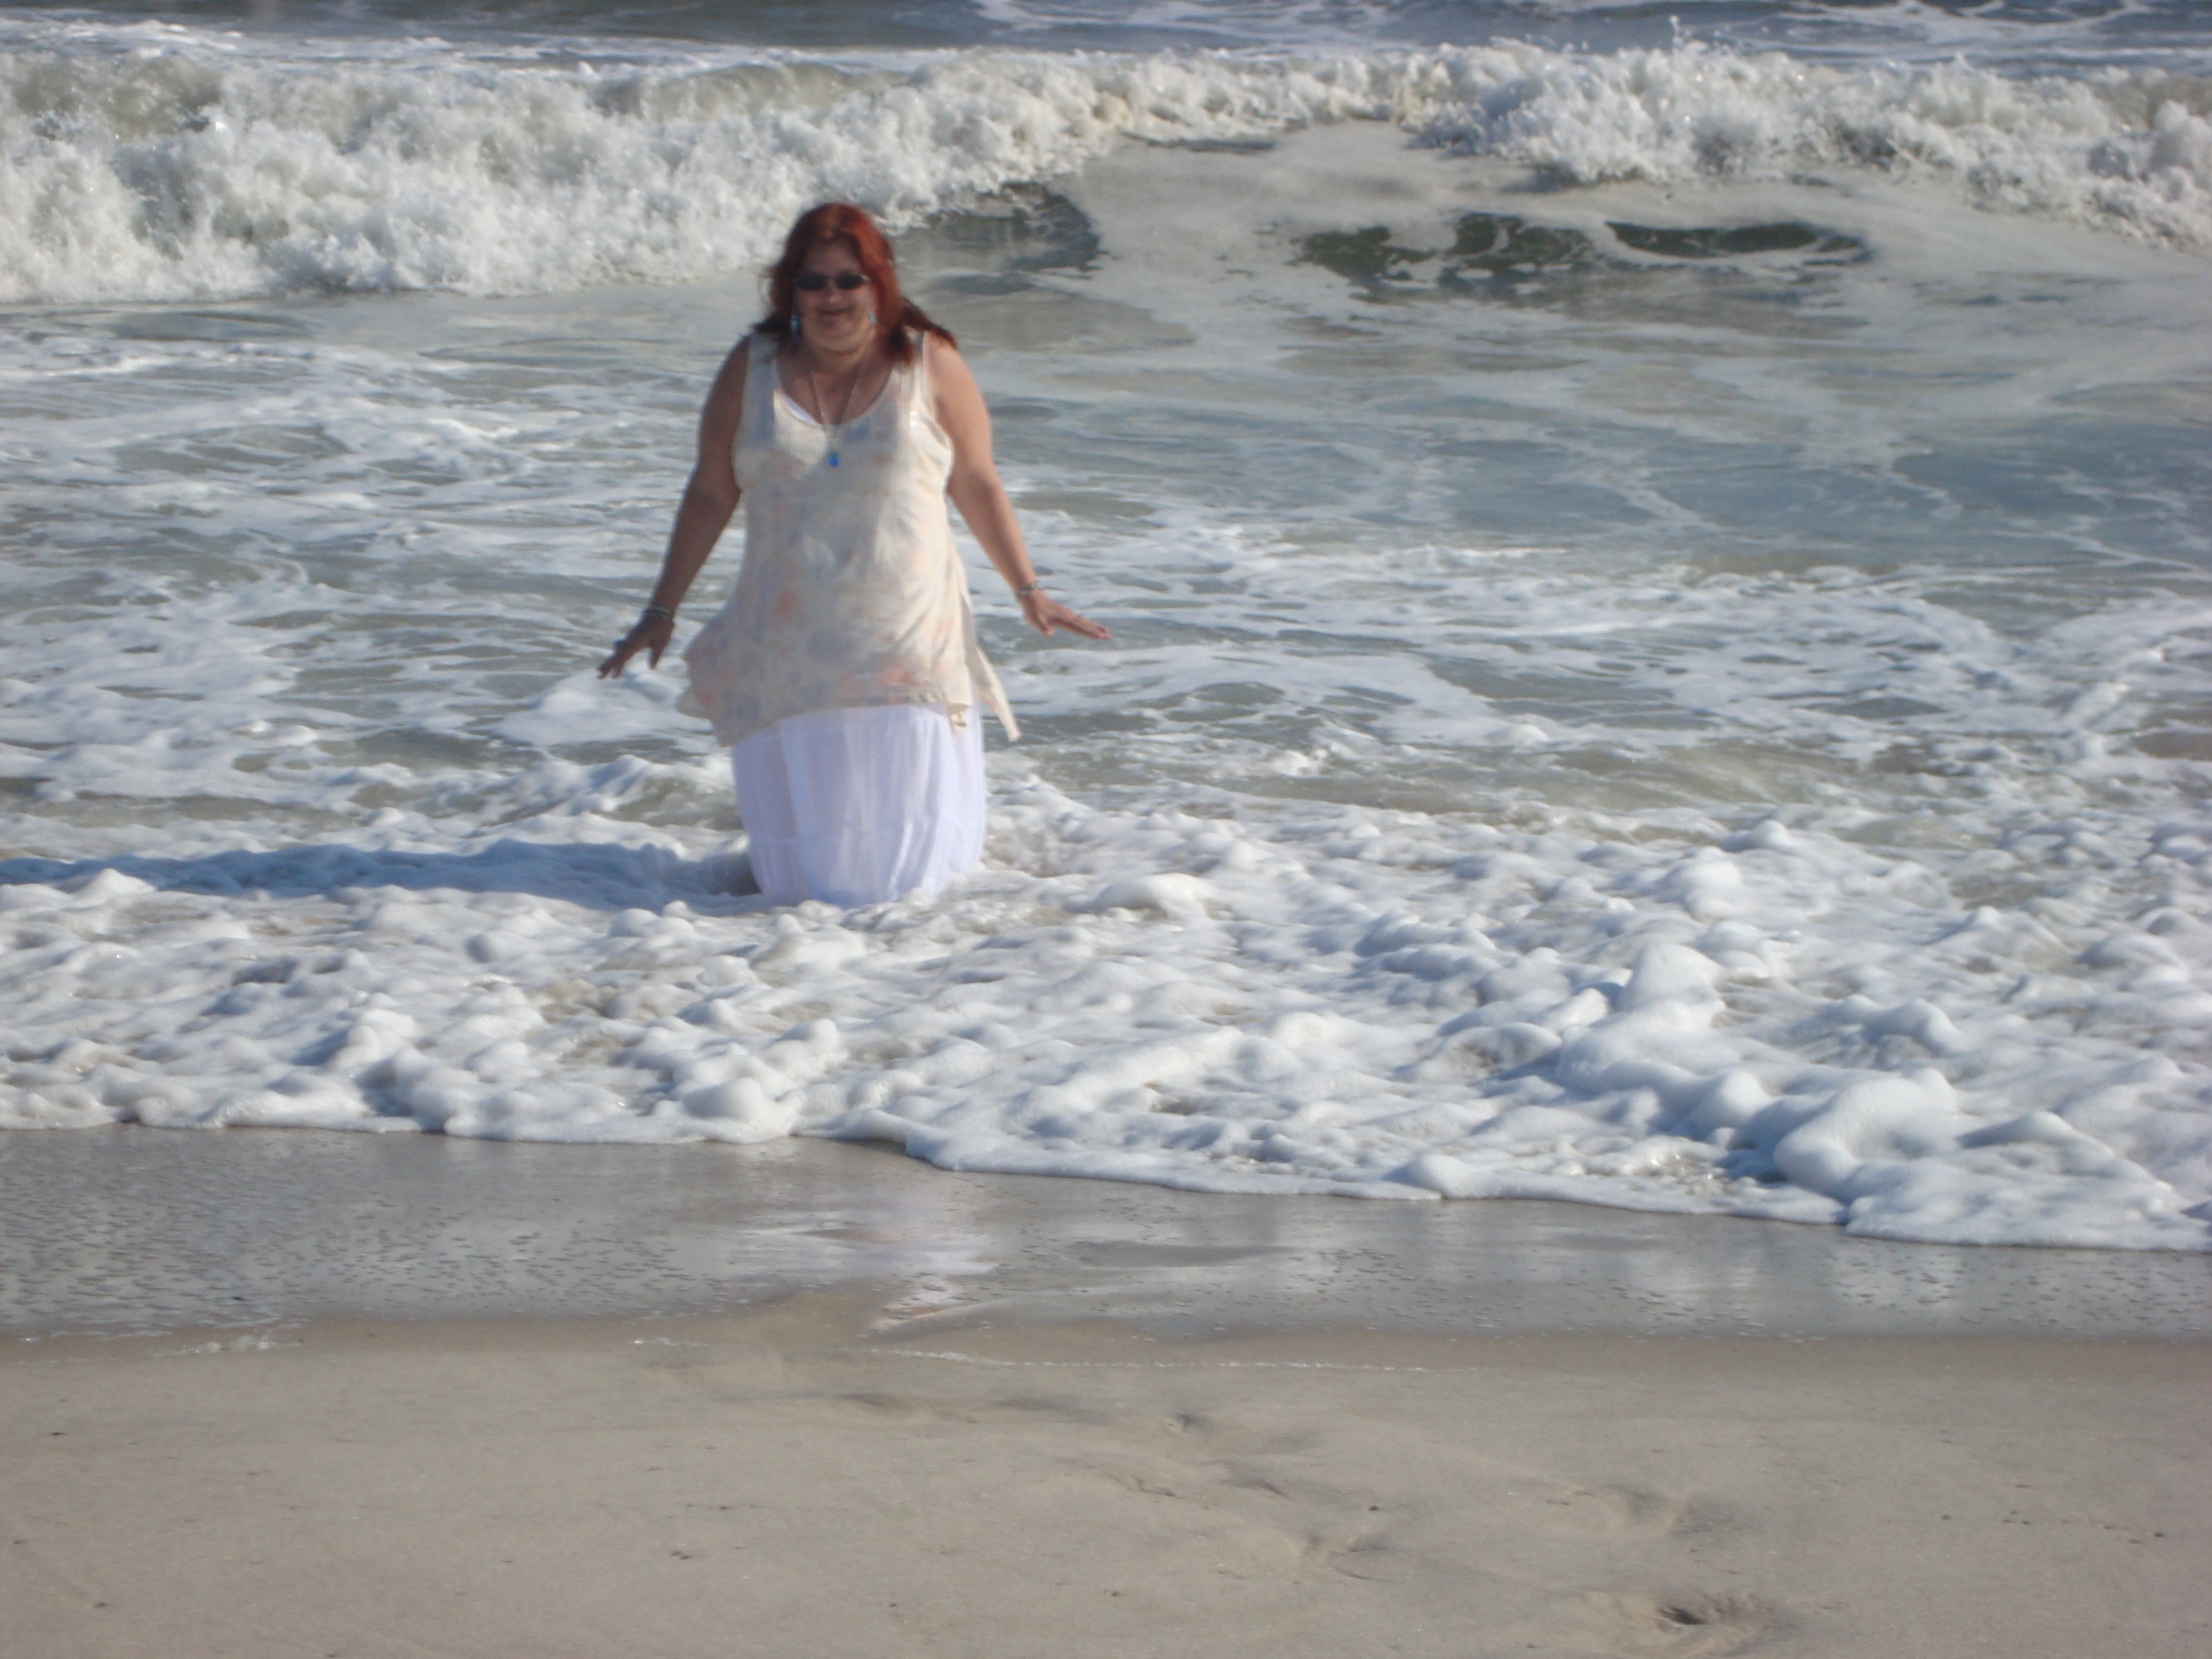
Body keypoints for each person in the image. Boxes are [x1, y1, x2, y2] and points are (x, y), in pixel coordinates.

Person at [598, 202, 1109, 906]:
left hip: (908, 645)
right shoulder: (751, 369)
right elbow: (712, 491)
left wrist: (1029, 590)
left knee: (913, 891)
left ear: (879, 283)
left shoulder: (928, 361)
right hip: (791, 653)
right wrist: (661, 610)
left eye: (849, 279)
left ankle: (915, 968)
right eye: (813, 282)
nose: (831, 297)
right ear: (789, 289)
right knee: (807, 892)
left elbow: (975, 480)